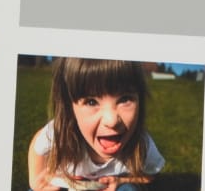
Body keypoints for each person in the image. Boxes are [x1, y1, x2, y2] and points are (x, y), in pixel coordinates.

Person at [27, 58, 164, 190]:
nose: (111, 121)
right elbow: (38, 144)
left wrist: (121, 180)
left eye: (125, 99)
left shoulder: (141, 145)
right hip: (67, 183)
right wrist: (35, 178)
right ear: (70, 108)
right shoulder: (61, 131)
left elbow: (150, 174)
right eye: (91, 102)